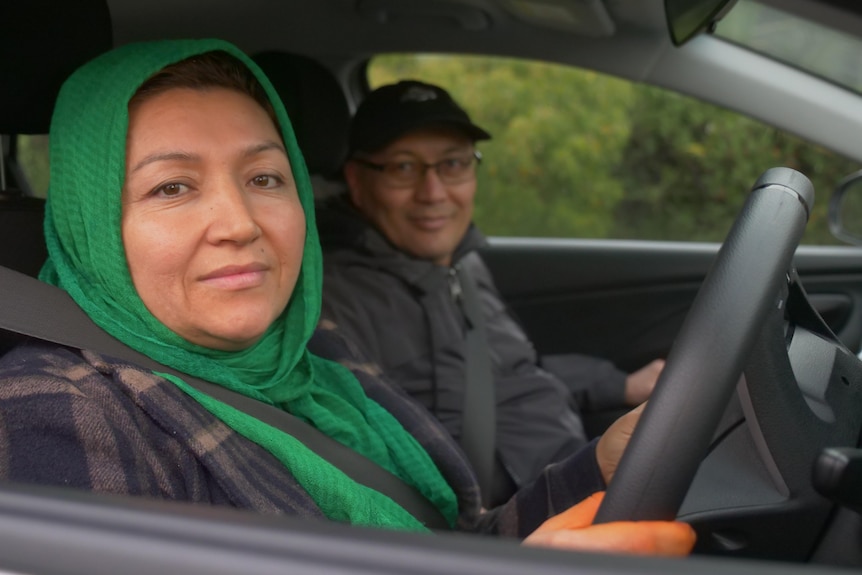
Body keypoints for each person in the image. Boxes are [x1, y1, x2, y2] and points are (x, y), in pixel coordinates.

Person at [0, 39, 693, 554]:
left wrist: (603, 462)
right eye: (172, 187)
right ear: (91, 223)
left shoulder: (317, 357)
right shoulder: (57, 412)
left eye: (265, 178)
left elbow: (452, 540)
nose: (240, 223)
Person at [317, 79, 665, 506]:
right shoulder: (333, 302)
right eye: (403, 168)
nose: (434, 193)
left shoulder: (463, 263)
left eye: (453, 164)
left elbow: (511, 371)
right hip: (531, 514)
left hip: (578, 465)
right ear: (357, 180)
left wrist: (619, 384)